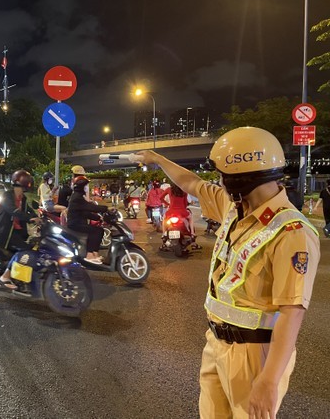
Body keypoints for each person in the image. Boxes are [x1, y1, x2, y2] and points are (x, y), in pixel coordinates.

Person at [135, 127, 320, 418]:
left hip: (255, 355)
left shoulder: (291, 232)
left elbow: (292, 311)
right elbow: (193, 183)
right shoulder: (235, 207)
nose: (219, 182)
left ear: (241, 179)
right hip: (217, 343)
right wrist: (158, 159)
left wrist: (269, 380)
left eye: (222, 176)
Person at [0, 170, 40, 289]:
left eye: (23, 190)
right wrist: (31, 219)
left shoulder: (23, 199)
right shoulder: (7, 196)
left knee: (34, 246)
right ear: (15, 185)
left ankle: (21, 276)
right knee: (25, 250)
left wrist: (40, 217)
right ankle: (5, 277)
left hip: (17, 232)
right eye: (20, 189)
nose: (21, 192)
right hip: (6, 233)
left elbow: (29, 211)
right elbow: (13, 211)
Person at [67, 175, 110, 264]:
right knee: (95, 231)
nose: (87, 188)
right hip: (75, 224)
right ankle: (89, 255)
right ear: (81, 186)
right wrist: (106, 208)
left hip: (78, 221)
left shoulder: (78, 196)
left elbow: (84, 212)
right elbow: (90, 207)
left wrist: (97, 217)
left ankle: (95, 253)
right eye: (86, 186)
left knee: (100, 230)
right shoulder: (77, 197)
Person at [160, 183, 201, 249]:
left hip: (171, 211)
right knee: (190, 218)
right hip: (182, 211)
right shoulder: (184, 190)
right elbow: (185, 203)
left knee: (164, 219)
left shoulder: (169, 189)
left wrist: (167, 204)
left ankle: (164, 233)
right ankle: (193, 233)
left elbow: (160, 198)